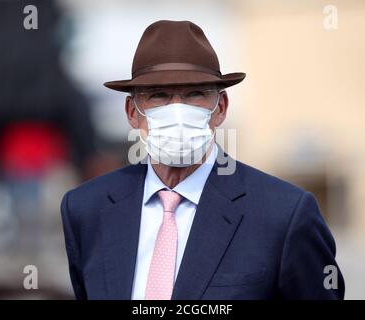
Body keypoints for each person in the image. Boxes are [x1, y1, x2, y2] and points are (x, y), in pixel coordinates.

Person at [60, 20, 344, 300]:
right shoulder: (87, 209)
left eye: (194, 94)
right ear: (132, 113)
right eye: (158, 96)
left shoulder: (283, 215)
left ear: (220, 108)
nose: (177, 111)